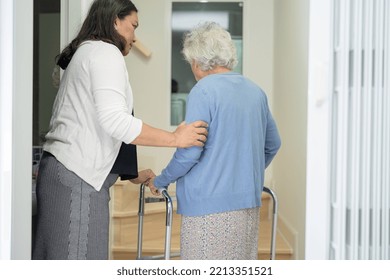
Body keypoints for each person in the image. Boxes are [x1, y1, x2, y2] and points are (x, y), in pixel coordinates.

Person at [32, 0, 208, 260]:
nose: (135, 37)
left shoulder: (88, 51)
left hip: (67, 174)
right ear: (115, 21)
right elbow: (115, 121)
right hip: (77, 180)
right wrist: (175, 138)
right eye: (133, 26)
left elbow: (93, 125)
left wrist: (129, 172)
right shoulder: (105, 52)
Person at [148, 22, 281, 260]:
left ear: (197, 61)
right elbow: (273, 144)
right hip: (248, 205)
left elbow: (189, 151)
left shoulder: (204, 90)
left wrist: (161, 180)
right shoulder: (255, 91)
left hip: (208, 209)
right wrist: (242, 173)